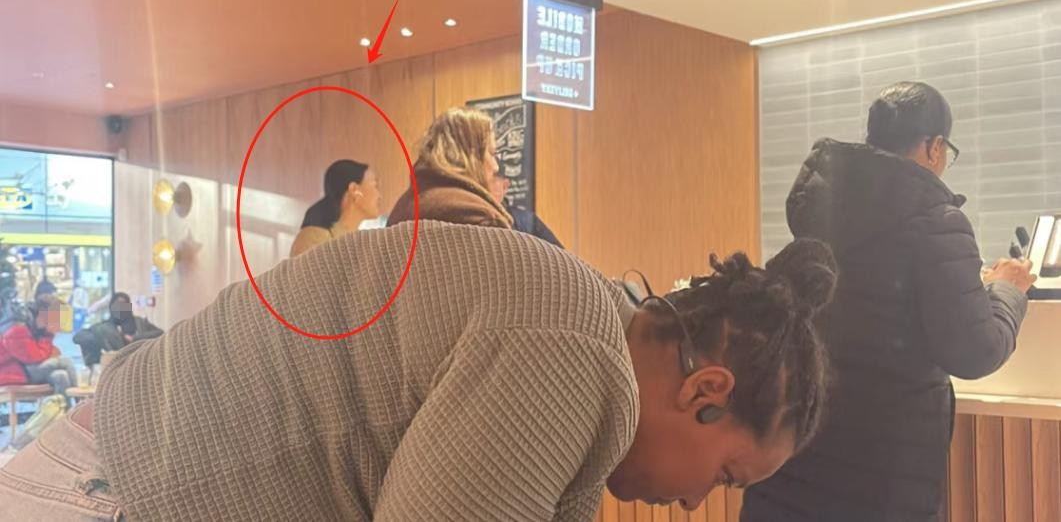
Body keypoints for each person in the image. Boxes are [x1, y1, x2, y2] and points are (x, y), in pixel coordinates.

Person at [0, 221, 836, 521]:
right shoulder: (570, 348)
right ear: (705, 391)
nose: (694, 502)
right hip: (113, 493)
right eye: (724, 476)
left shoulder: (583, 336)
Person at [741, 81, 1036, 522]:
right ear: (934, 148)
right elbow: (976, 350)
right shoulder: (936, 222)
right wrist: (1009, 288)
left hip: (790, 466)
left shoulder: (819, 209)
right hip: (880, 480)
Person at [388, 107, 512, 228]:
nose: (495, 167)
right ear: (470, 156)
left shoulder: (400, 211)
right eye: (492, 153)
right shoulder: (483, 217)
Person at [290, 159, 382, 257]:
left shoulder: (359, 244)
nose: (380, 196)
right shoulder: (313, 238)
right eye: (375, 186)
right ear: (354, 190)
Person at [0, 294, 78, 395]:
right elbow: (34, 358)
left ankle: (63, 405)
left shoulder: (38, 330)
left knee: (61, 376)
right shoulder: (18, 329)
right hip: (12, 374)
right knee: (65, 362)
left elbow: (50, 354)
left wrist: (47, 335)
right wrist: (48, 335)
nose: (59, 322)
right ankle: (80, 401)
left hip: (26, 371)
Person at [73, 292, 163, 367]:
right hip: (116, 370)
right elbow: (78, 337)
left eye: (123, 305)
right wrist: (102, 339)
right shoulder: (104, 328)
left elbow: (160, 334)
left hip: (142, 366)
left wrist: (135, 338)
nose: (120, 309)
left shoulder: (139, 322)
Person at [490, 170, 564, 248]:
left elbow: (560, 253)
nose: (482, 189)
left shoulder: (526, 221)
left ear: (505, 186)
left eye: (486, 181)